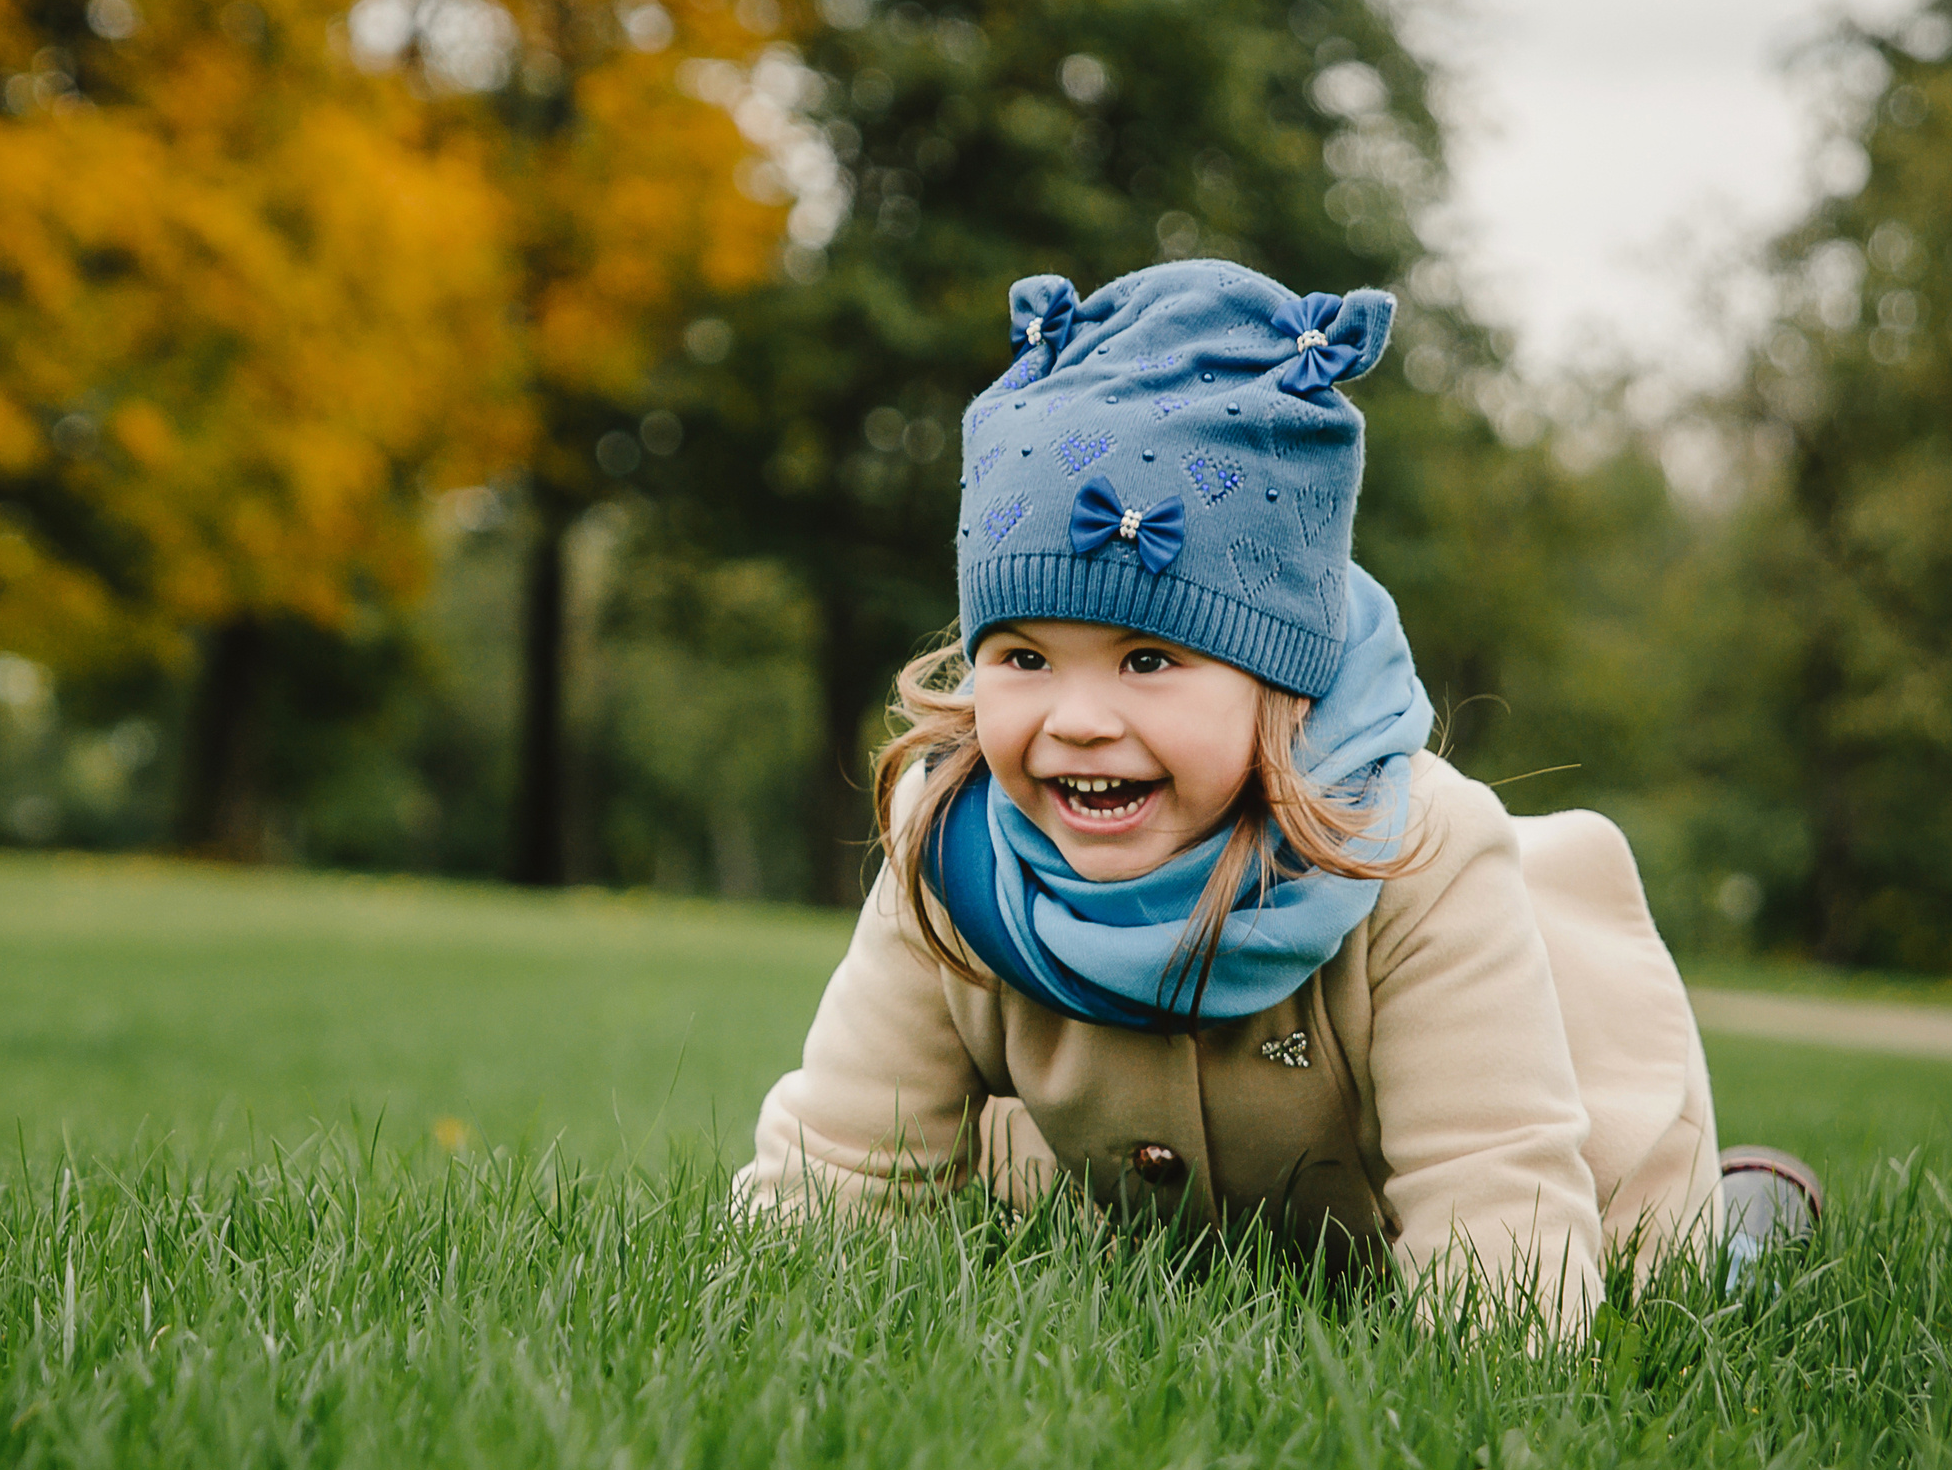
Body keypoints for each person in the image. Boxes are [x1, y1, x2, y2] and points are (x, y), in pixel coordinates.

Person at [736, 260, 1821, 1329]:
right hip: (1195, 1194)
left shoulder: (1416, 857)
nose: (1074, 717)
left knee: (1673, 1273)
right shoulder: (957, 846)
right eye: (1022, 657)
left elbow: (1502, 1216)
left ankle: (1749, 1216)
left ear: (1279, 678)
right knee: (1039, 1200)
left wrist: (1493, 1399)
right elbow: (837, 1171)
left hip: (1561, 1158)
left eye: (1147, 660)